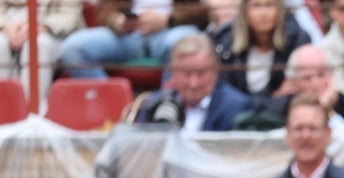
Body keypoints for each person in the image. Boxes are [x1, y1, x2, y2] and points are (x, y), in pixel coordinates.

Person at [133, 33, 253, 130]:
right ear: (173, 72)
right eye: (186, 74)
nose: (193, 83)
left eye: (201, 74)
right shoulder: (154, 105)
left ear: (215, 71)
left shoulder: (236, 107)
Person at [58, 0, 203, 80]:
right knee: (73, 48)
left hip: (173, 29)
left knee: (183, 44)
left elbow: (203, 11)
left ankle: (166, 112)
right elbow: (103, 9)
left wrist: (169, 19)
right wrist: (116, 20)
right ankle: (112, 110)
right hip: (129, 34)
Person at [211, 0, 310, 108]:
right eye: (256, 6)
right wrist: (272, 98)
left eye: (269, 5)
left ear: (280, 9)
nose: (263, 13)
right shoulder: (227, 42)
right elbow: (224, 95)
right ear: (244, 10)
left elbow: (294, 96)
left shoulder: (297, 40)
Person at [2, 0, 84, 108]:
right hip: (8, 29)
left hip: (53, 34)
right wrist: (5, 27)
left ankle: (32, 112)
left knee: (38, 45)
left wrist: (42, 27)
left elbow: (70, 16)